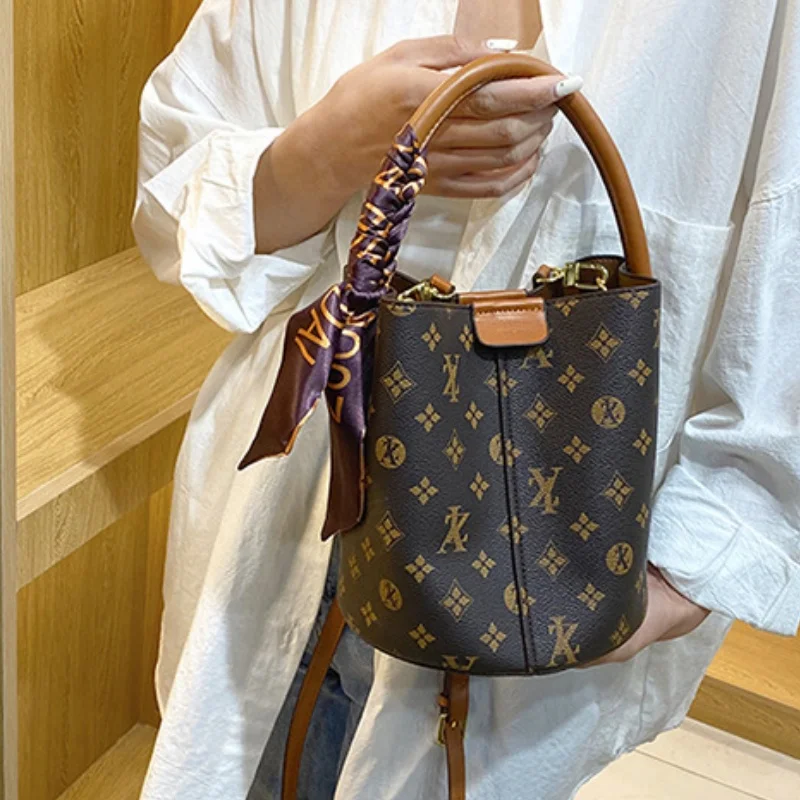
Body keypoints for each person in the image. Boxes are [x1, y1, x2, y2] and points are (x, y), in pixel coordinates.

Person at [132, 1, 800, 798]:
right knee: (250, 759)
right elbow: (173, 198)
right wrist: (332, 146)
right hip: (292, 502)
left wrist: (697, 568)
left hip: (546, 557)